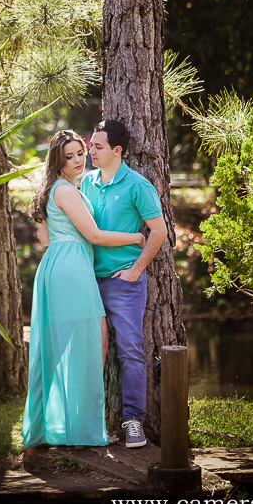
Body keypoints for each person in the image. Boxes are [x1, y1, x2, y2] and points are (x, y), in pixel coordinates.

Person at [22, 129, 146, 448]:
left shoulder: (58, 188)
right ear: (58, 161)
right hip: (72, 269)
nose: (79, 160)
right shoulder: (66, 191)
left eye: (81, 153)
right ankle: (83, 431)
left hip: (58, 265)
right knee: (93, 344)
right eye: (70, 156)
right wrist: (136, 237)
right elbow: (95, 235)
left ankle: (57, 426)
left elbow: (44, 238)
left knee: (65, 346)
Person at [81, 118, 168, 450]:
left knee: (130, 352)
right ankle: (88, 421)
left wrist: (135, 270)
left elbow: (158, 232)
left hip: (123, 284)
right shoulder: (85, 183)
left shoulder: (137, 185)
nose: (92, 150)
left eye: (98, 146)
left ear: (117, 151)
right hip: (87, 284)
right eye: (92, 144)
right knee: (89, 352)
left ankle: (134, 422)